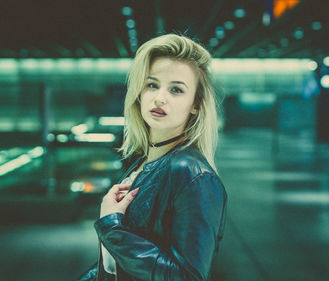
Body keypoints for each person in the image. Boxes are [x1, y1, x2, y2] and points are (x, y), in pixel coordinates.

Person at [77, 33, 227, 281]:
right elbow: (114, 265)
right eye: (152, 84)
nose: (160, 97)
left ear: (196, 104)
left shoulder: (192, 174)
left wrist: (112, 226)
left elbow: (186, 277)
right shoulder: (140, 163)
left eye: (176, 89)